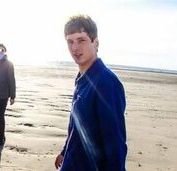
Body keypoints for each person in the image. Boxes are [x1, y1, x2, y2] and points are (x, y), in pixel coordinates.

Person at [54, 15, 127, 171]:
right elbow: (77, 126)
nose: (75, 48)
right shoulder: (82, 79)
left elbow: (115, 144)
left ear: (96, 42)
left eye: (81, 40)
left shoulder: (106, 83)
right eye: (70, 42)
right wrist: (65, 151)